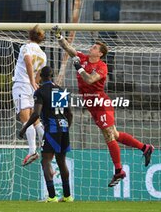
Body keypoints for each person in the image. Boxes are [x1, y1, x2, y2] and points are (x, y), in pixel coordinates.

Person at [52, 26, 154, 187]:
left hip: (101, 102)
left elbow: (90, 80)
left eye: (94, 47)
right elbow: (68, 48)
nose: (91, 48)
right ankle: (145, 147)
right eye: (92, 46)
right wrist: (59, 36)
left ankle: (119, 170)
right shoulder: (83, 58)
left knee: (108, 135)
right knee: (115, 134)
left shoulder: (101, 66)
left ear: (100, 53)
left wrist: (78, 68)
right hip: (91, 103)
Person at [19, 66, 73, 202]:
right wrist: (66, 127)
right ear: (52, 75)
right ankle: (67, 196)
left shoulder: (40, 91)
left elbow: (36, 113)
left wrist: (24, 128)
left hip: (52, 129)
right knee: (61, 161)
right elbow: (69, 113)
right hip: (64, 128)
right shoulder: (60, 90)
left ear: (41, 76)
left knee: (46, 161)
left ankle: (52, 196)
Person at [12, 25, 46, 166]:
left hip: (21, 85)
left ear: (29, 36)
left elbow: (28, 62)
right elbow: (40, 74)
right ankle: (48, 145)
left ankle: (32, 150)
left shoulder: (26, 47)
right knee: (35, 120)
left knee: (25, 118)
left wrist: (30, 81)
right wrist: (35, 84)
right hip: (33, 88)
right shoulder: (43, 55)